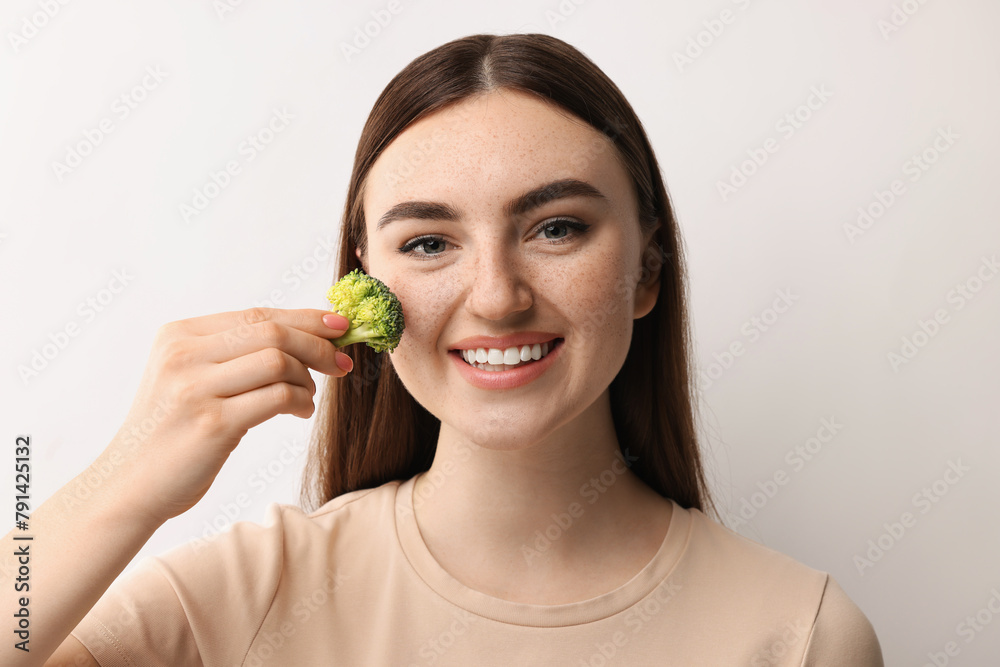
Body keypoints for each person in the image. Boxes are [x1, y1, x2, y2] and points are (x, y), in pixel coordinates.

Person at [3, 33, 883, 666]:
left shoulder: (800, 634)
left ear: (647, 269)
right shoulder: (254, 590)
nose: (497, 296)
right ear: (364, 283)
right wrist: (129, 476)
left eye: (557, 227)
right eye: (428, 243)